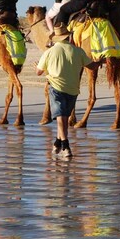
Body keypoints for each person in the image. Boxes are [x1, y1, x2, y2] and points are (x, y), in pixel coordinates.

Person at [36, 24, 93, 159]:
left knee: (61, 118)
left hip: (56, 88)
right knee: (64, 118)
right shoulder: (78, 51)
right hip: (73, 89)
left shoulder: (49, 52)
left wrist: (38, 67)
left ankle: (66, 146)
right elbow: (92, 66)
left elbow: (38, 72)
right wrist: (101, 60)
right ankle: (57, 143)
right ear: (68, 37)